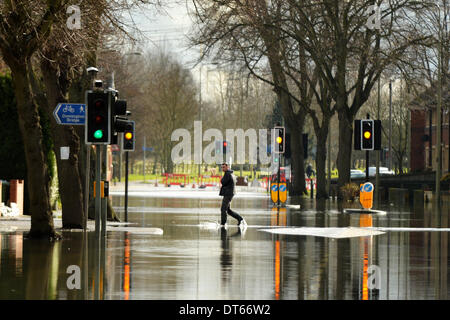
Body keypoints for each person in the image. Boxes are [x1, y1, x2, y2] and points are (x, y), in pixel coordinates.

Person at [219, 162, 247, 228]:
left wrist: (221, 179)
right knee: (228, 210)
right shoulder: (230, 173)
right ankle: (240, 219)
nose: (222, 168)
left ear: (227, 167)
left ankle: (223, 223)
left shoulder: (227, 174)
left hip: (228, 194)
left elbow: (223, 182)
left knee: (223, 209)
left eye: (224, 167)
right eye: (222, 167)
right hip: (230, 193)